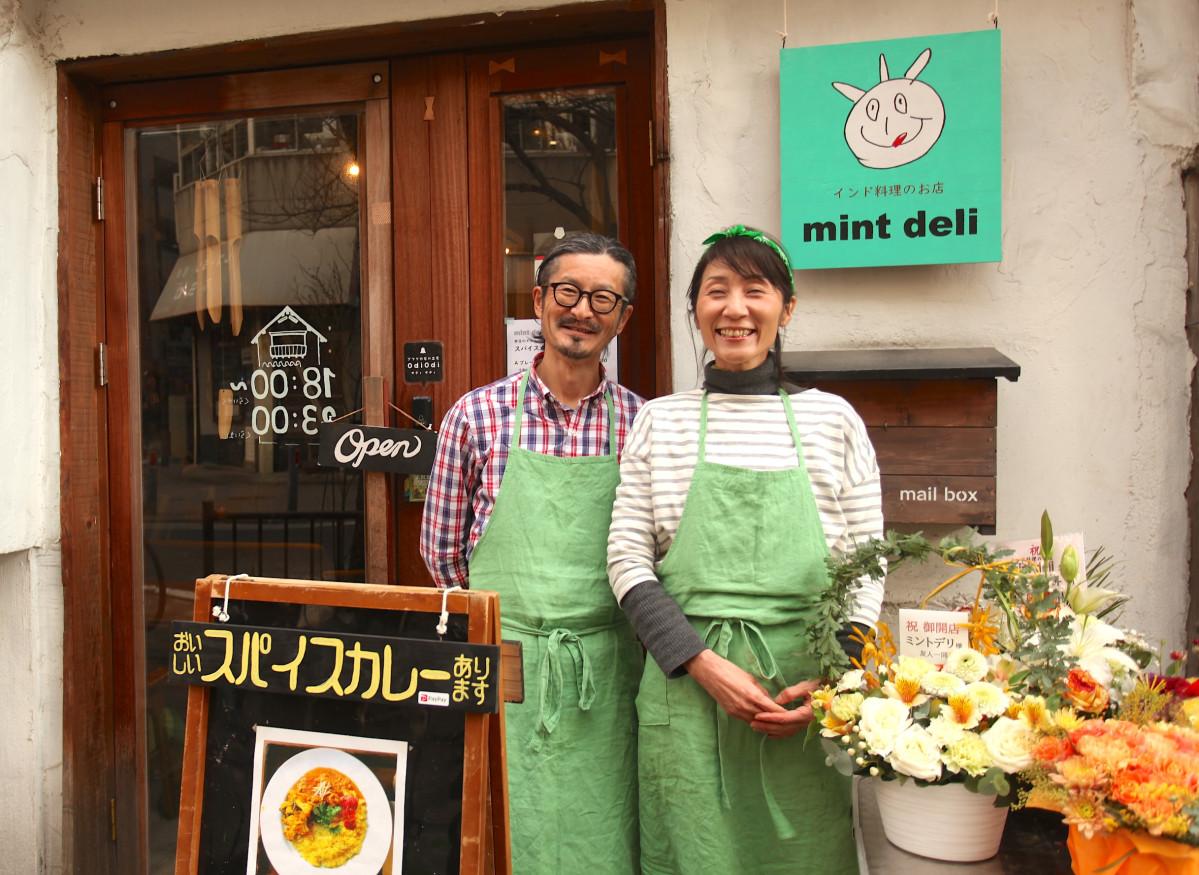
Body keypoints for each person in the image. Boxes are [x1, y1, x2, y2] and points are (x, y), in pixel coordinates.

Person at [607, 225, 883, 875]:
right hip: (688, 696)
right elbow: (625, 560)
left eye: (754, 290)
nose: (734, 308)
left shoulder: (832, 420)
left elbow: (867, 566)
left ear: (785, 308)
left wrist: (833, 679)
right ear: (695, 311)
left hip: (803, 696)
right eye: (715, 291)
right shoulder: (661, 420)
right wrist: (700, 663)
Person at [421, 232, 644, 875]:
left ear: (623, 317)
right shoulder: (475, 415)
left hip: (606, 671)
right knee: (502, 830)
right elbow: (442, 555)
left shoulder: (642, 422)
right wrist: (507, 622)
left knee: (605, 834)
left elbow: (655, 553)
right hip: (504, 663)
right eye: (569, 292)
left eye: (604, 298)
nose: (583, 310)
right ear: (540, 299)